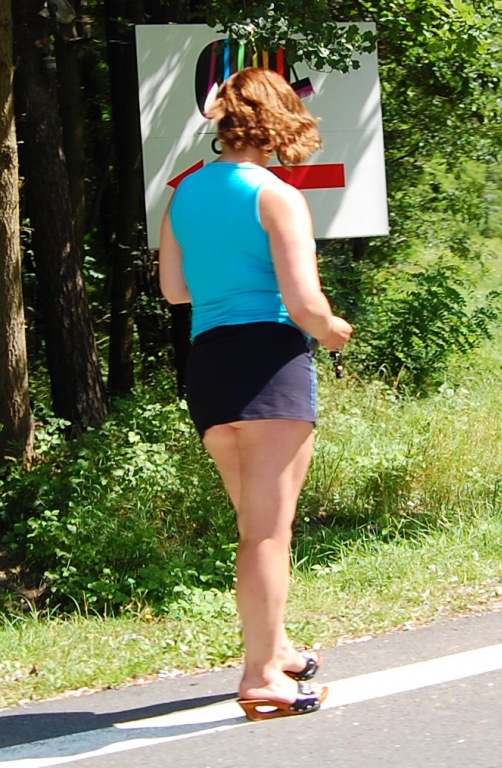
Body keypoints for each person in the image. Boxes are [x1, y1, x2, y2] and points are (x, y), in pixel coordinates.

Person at [158, 66, 353, 721]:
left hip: (209, 366)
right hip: (268, 363)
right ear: (277, 121)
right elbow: (304, 305)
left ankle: (279, 648)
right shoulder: (275, 196)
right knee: (268, 533)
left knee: (256, 526)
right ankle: (263, 675)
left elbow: (175, 291)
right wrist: (333, 330)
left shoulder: (184, 193)